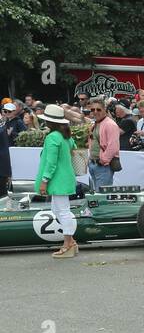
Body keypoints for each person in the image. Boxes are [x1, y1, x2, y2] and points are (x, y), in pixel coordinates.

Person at [36, 105, 79, 258]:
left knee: (63, 211)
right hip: (64, 177)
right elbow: (73, 150)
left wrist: (44, 180)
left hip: (57, 179)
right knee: (57, 210)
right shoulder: (65, 136)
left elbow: (51, 162)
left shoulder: (53, 137)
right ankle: (71, 241)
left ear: (49, 122)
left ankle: (67, 244)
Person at [85, 97, 120, 191]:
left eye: (98, 109)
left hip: (103, 166)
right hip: (94, 163)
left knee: (102, 197)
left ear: (105, 110)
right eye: (93, 109)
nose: (95, 112)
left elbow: (113, 146)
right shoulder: (96, 123)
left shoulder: (110, 124)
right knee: (97, 196)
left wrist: (103, 160)